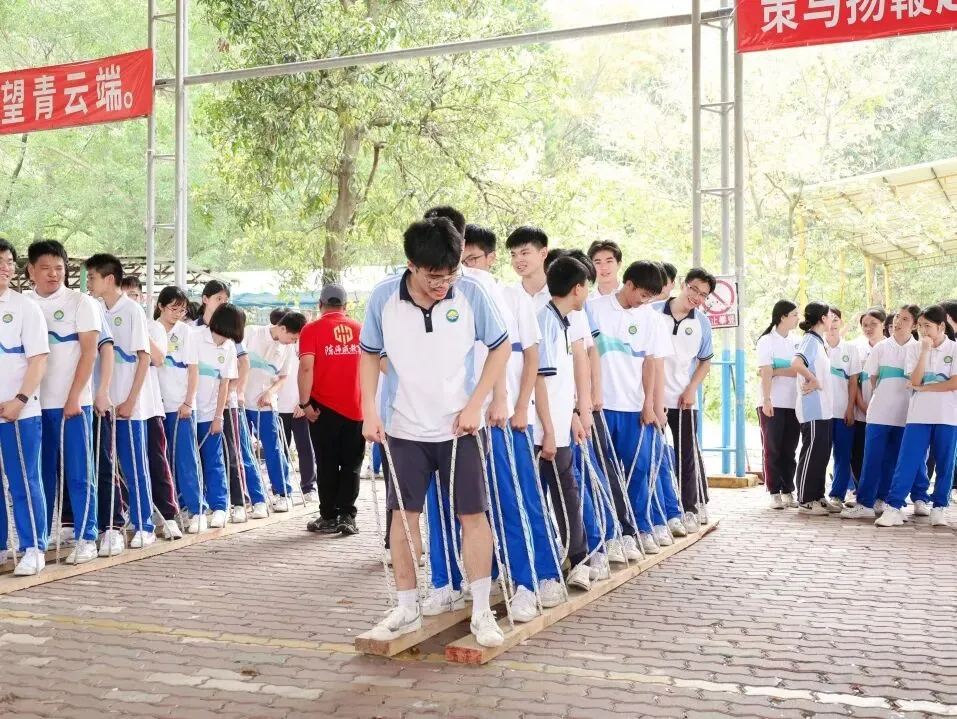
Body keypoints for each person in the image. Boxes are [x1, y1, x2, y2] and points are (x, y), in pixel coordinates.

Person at [360, 216, 509, 648]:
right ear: (411, 264)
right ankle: (407, 605)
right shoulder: (384, 297)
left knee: (472, 515)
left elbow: (500, 347)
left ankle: (481, 610)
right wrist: (369, 412)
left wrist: (476, 403)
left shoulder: (474, 292)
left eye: (450, 274)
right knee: (404, 519)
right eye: (434, 277)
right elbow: (369, 355)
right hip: (404, 427)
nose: (443, 283)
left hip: (459, 428)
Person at [25, 240, 100, 565]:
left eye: (59, 268)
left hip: (73, 405)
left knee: (79, 473)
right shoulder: (24, 304)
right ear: (31, 271)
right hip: (33, 407)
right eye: (45, 268)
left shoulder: (80, 302)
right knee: (42, 475)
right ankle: (40, 539)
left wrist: (74, 397)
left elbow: (89, 352)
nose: (53, 274)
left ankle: (87, 536)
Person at [588, 260, 666, 554]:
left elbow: (651, 363)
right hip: (601, 407)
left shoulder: (650, 319)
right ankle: (613, 534)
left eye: (651, 298)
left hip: (634, 409)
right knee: (604, 472)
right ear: (629, 284)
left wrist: (649, 405)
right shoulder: (595, 308)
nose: (645, 302)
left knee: (640, 469)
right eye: (643, 295)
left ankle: (640, 528)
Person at [85, 254, 156, 548]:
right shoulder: (94, 308)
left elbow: (144, 357)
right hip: (102, 402)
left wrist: (130, 400)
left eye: (92, 277)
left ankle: (145, 525)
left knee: (133, 463)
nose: (87, 282)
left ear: (109, 279)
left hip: (129, 405)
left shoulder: (132, 310)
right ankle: (111, 522)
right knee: (105, 466)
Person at [535, 255, 596, 591]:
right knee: (546, 497)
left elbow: (560, 381)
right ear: (577, 288)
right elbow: (538, 381)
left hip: (559, 426)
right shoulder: (544, 320)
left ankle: (578, 558)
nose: (587, 292)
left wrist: (572, 414)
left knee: (567, 493)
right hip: (542, 432)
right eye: (586, 285)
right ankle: (549, 567)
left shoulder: (563, 320)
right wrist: (546, 429)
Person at [875, 305, 956, 528]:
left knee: (945, 464)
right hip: (917, 416)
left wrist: (928, 388)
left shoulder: (954, 349)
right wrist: (924, 352)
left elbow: (954, 382)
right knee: (907, 462)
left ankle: (939, 508)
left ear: (941, 327)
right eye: (920, 326)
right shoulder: (915, 349)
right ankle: (894, 508)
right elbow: (917, 380)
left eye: (927, 326)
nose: (922, 330)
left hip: (947, 417)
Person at [194, 282, 268, 519]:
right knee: (211, 455)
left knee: (238, 451)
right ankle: (214, 503)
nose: (223, 302)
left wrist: (236, 391)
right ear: (205, 299)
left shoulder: (230, 334)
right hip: (202, 405)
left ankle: (252, 499)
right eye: (219, 298)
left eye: (226, 298)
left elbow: (242, 364)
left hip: (226, 403)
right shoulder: (193, 330)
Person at [842, 305, 920, 520]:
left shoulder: (918, 348)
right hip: (878, 413)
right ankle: (865, 502)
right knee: (872, 458)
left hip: (906, 414)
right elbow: (873, 379)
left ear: (914, 325)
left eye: (905, 319)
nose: (898, 322)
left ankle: (883, 500)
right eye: (897, 318)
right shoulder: (881, 348)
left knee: (893, 461)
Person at [652, 267, 716, 530]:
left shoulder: (701, 322)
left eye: (703, 295)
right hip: (650, 400)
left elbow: (705, 361)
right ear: (683, 284)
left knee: (686, 457)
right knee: (652, 457)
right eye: (694, 290)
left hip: (684, 400)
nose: (696, 297)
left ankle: (690, 507)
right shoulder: (653, 312)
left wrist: (691, 389)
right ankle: (658, 513)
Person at [0, 238, 49, 576]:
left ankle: (34, 547)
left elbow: (39, 360)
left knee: (24, 481)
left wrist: (19, 400)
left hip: (20, 412)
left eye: (8, 261)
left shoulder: (24, 307)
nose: (4, 267)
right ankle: (3, 546)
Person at [298, 284, 364, 536]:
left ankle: (328, 516)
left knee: (326, 462)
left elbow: (306, 368)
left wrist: (305, 404)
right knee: (352, 464)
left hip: (322, 408)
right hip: (356, 407)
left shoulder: (311, 329)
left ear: (320, 304)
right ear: (345, 306)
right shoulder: (361, 329)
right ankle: (347, 515)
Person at [243, 310, 306, 513]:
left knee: (274, 448)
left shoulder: (287, 349)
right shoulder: (250, 333)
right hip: (241, 403)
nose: (292, 342)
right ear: (282, 328)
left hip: (266, 405)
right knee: (243, 450)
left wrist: (270, 393)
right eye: (292, 337)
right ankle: (253, 497)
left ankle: (283, 493)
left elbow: (282, 377)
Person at [155, 286, 205, 533]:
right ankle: (174, 508)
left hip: (181, 406)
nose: (178, 313)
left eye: (182, 309)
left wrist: (188, 401)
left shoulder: (186, 332)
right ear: (161, 306)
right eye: (173, 308)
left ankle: (197, 509)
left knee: (186, 459)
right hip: (157, 405)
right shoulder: (151, 329)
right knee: (165, 461)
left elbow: (193, 369)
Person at [193, 303, 242, 531]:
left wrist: (218, 416)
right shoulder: (194, 337)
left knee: (214, 461)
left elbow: (224, 384)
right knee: (190, 462)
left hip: (210, 412)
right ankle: (194, 508)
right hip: (189, 410)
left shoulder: (230, 347)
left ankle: (220, 507)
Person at [790, 302, 835, 515]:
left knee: (821, 454)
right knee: (811, 453)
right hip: (812, 407)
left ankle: (817, 496)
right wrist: (814, 379)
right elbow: (797, 363)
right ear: (822, 318)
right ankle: (806, 500)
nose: (832, 320)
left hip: (824, 408)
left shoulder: (818, 341)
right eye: (830, 316)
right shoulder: (809, 339)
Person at [756, 300, 801, 509]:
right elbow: (765, 371)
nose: (797, 318)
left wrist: (775, 369)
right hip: (771, 401)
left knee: (789, 449)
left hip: (793, 402)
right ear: (782, 316)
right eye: (794, 314)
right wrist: (767, 399)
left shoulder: (797, 341)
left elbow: (797, 370)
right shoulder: (766, 341)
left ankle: (788, 490)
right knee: (772, 447)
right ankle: (774, 491)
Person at [145, 294, 181, 540]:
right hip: (118, 408)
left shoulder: (153, 327)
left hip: (149, 406)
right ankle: (138, 514)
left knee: (157, 460)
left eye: (135, 295)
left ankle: (168, 515)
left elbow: (158, 358)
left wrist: (136, 326)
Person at [273, 308, 318, 504]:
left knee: (305, 449)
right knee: (279, 450)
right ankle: (281, 489)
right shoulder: (276, 346)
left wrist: (304, 402)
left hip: (298, 407)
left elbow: (310, 374)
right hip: (277, 407)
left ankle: (309, 486)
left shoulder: (303, 347)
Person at [824, 307, 862, 510]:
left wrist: (850, 408)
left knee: (843, 455)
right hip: (821, 413)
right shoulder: (818, 347)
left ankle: (837, 494)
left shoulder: (850, 349)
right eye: (829, 318)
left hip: (843, 411)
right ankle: (816, 494)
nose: (833, 322)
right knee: (820, 454)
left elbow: (853, 381)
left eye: (837, 318)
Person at [850, 308, 887, 492]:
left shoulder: (890, 348)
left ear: (884, 324)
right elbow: (853, 382)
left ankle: (881, 493)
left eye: (874, 324)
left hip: (884, 414)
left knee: (882, 454)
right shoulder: (857, 349)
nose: (869, 328)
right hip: (861, 412)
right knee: (858, 454)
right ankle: (860, 491)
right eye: (865, 325)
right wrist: (863, 406)